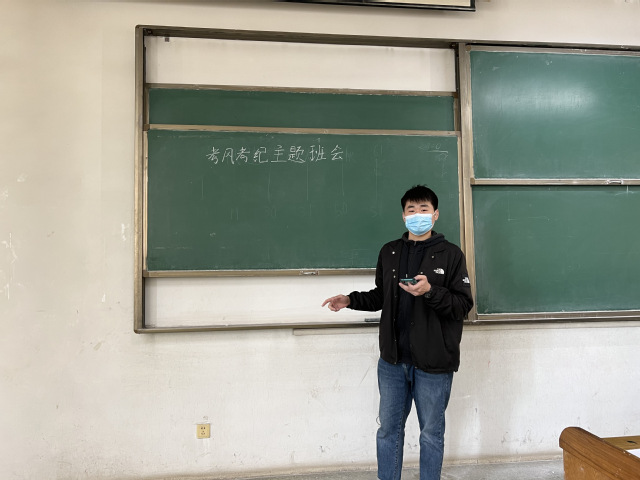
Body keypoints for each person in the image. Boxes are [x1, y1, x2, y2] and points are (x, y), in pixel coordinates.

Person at [322, 185, 473, 480]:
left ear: (435, 214)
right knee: (388, 431)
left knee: (431, 434)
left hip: (434, 363)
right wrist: (350, 300)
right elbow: (381, 295)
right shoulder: (390, 251)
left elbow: (462, 306)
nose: (417, 215)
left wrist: (430, 291)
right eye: (411, 210)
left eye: (424, 209)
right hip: (392, 361)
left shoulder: (451, 255)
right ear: (403, 216)